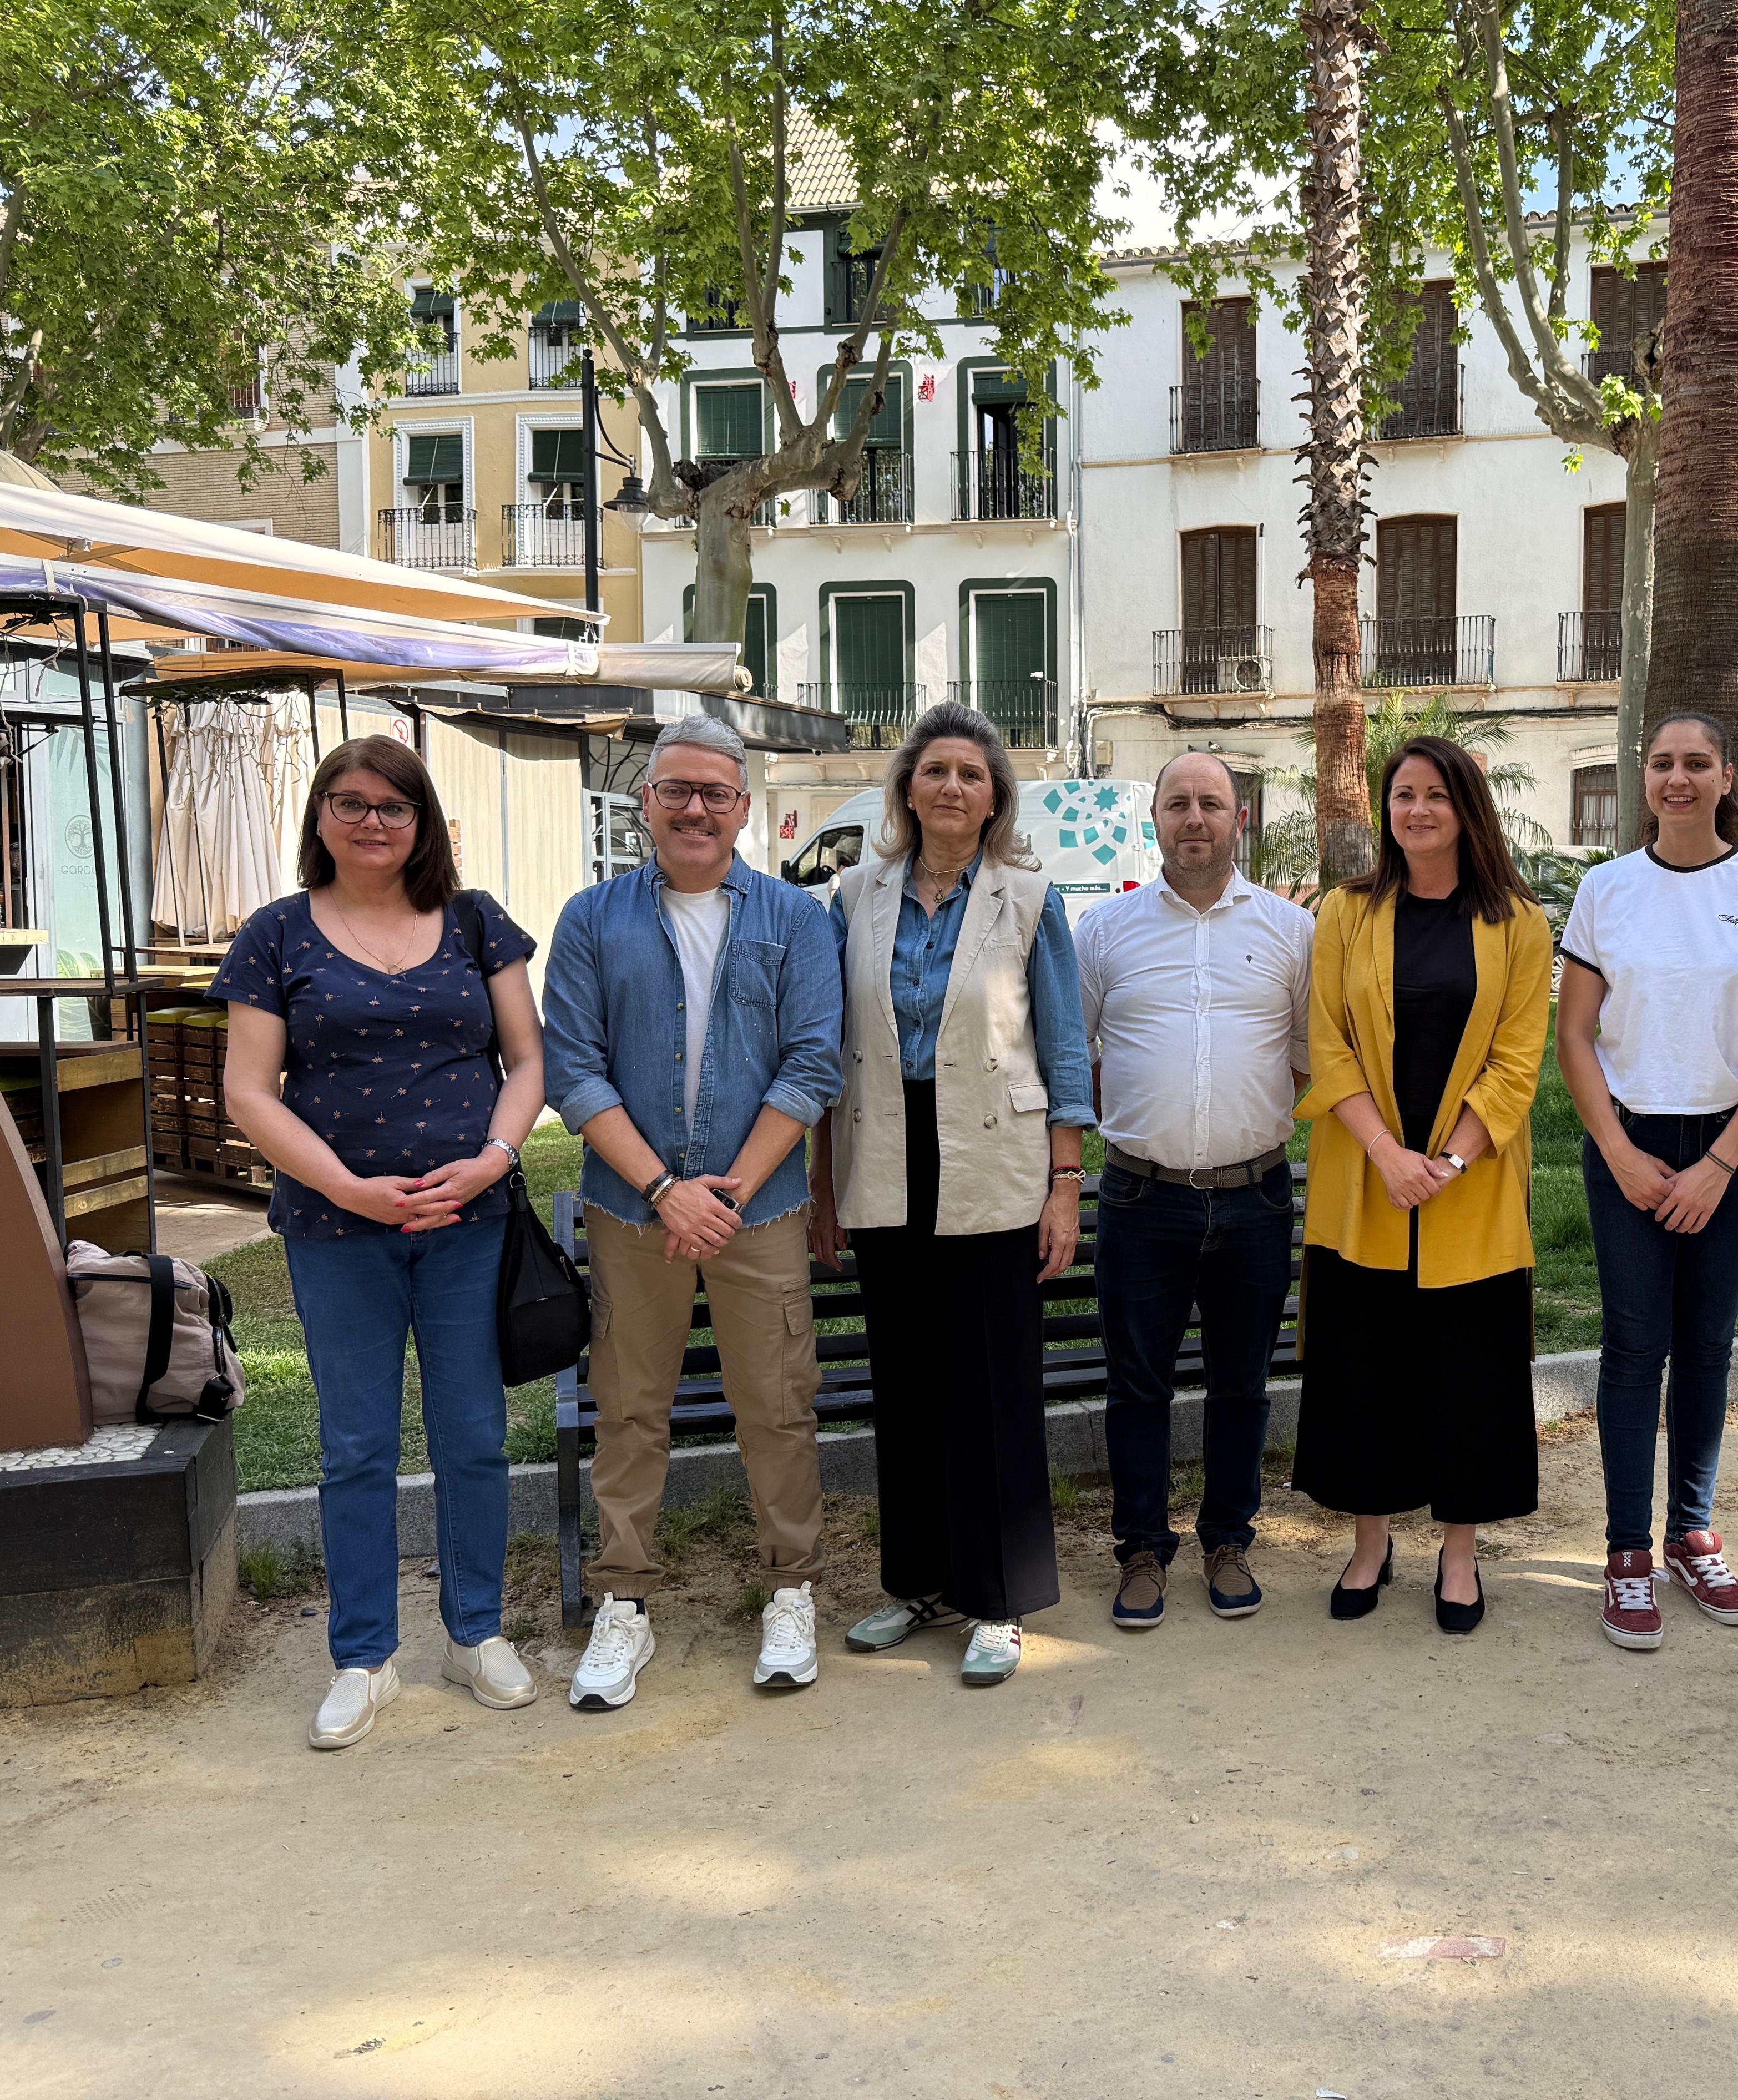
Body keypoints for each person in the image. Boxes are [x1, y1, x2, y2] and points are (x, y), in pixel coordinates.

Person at [216, 735, 544, 1750]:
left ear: (424, 822)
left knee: (474, 1438)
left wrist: (493, 1158)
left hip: (467, 1223)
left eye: (393, 807)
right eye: (349, 803)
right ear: (319, 817)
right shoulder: (276, 936)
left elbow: (528, 1060)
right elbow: (244, 1091)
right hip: (334, 1228)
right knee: (355, 1446)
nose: (371, 822)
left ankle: (476, 1633)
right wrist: (349, 1188)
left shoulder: (476, 922)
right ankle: (364, 1657)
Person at [542, 716, 844, 1712]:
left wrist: (728, 1193)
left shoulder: (798, 922)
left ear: (744, 808)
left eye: (717, 793)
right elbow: (571, 1069)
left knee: (778, 1404)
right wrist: (668, 1190)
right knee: (629, 1410)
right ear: (648, 802)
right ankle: (624, 1602)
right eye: (677, 790)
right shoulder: (592, 920)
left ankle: (790, 1587)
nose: (697, 809)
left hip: (759, 1215)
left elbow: (813, 1062)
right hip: (633, 1214)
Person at [809, 701, 1095, 1688]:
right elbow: (828, 1047)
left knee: (993, 1389)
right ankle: (917, 1584)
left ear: (995, 799)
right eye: (935, 772)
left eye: (972, 775)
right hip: (885, 1161)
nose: (952, 789)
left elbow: (1062, 1048)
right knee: (910, 1384)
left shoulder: (1029, 895)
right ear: (907, 789)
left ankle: (999, 1597)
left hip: (997, 1165)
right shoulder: (855, 894)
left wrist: (1066, 1185)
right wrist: (821, 1190)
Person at [1292, 735, 1554, 1635]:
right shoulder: (1345, 913)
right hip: (1364, 1186)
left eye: (1435, 795)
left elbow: (1519, 1064)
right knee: (1362, 1371)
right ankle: (1369, 1542)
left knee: (1469, 1377)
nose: (1417, 810)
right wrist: (1387, 1156)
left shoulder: (1518, 923)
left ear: (1465, 808)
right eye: (1402, 794)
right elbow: (1326, 1045)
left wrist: (1445, 1163)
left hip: (1469, 1194)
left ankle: (1459, 1553)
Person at [1555, 713, 1738, 1651]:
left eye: (1697, 763)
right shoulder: (1607, 890)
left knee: (1707, 1347)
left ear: (1726, 776)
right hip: (1630, 1142)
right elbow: (1575, 1033)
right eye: (1662, 763)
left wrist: (1721, 1164)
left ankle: (1691, 1536)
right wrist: (1618, 1150)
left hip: (1732, 1149)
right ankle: (1626, 1557)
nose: (1678, 779)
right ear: (1641, 778)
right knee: (1631, 1348)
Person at [1077, 751, 1314, 1629]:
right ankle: (1141, 1550)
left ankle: (1228, 1539)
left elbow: (1304, 1057)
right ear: (1156, 821)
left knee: (1241, 1384)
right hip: (1142, 1199)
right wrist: (1156, 1123)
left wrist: (1239, 1126)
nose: (1195, 819)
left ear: (1237, 819)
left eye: (1211, 803)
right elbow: (1080, 1059)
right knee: (1137, 1385)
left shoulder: (1294, 933)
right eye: (1177, 803)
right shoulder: (1104, 932)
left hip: (1254, 1198)